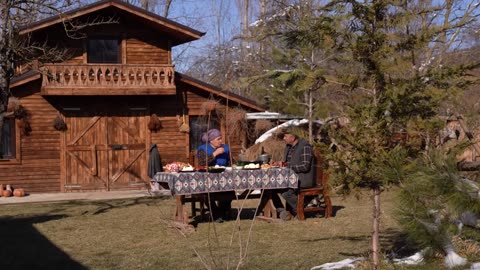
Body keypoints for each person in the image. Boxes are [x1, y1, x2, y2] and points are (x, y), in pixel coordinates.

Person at [272, 127, 315, 220]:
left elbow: (305, 166)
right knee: (270, 189)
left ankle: (300, 209)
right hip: (289, 178)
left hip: (303, 178)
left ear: (293, 137)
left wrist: (287, 166)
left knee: (285, 192)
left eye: (285, 136)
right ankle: (283, 212)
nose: (284, 138)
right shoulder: (288, 147)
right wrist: (281, 164)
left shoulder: (305, 147)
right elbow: (289, 163)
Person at [197, 129, 232, 222]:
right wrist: (215, 153)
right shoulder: (203, 149)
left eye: (221, 138)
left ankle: (223, 211)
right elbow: (202, 163)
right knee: (206, 193)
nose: (221, 141)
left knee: (231, 191)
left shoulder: (225, 148)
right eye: (218, 139)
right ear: (211, 140)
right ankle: (216, 214)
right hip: (208, 178)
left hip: (224, 177)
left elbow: (230, 162)